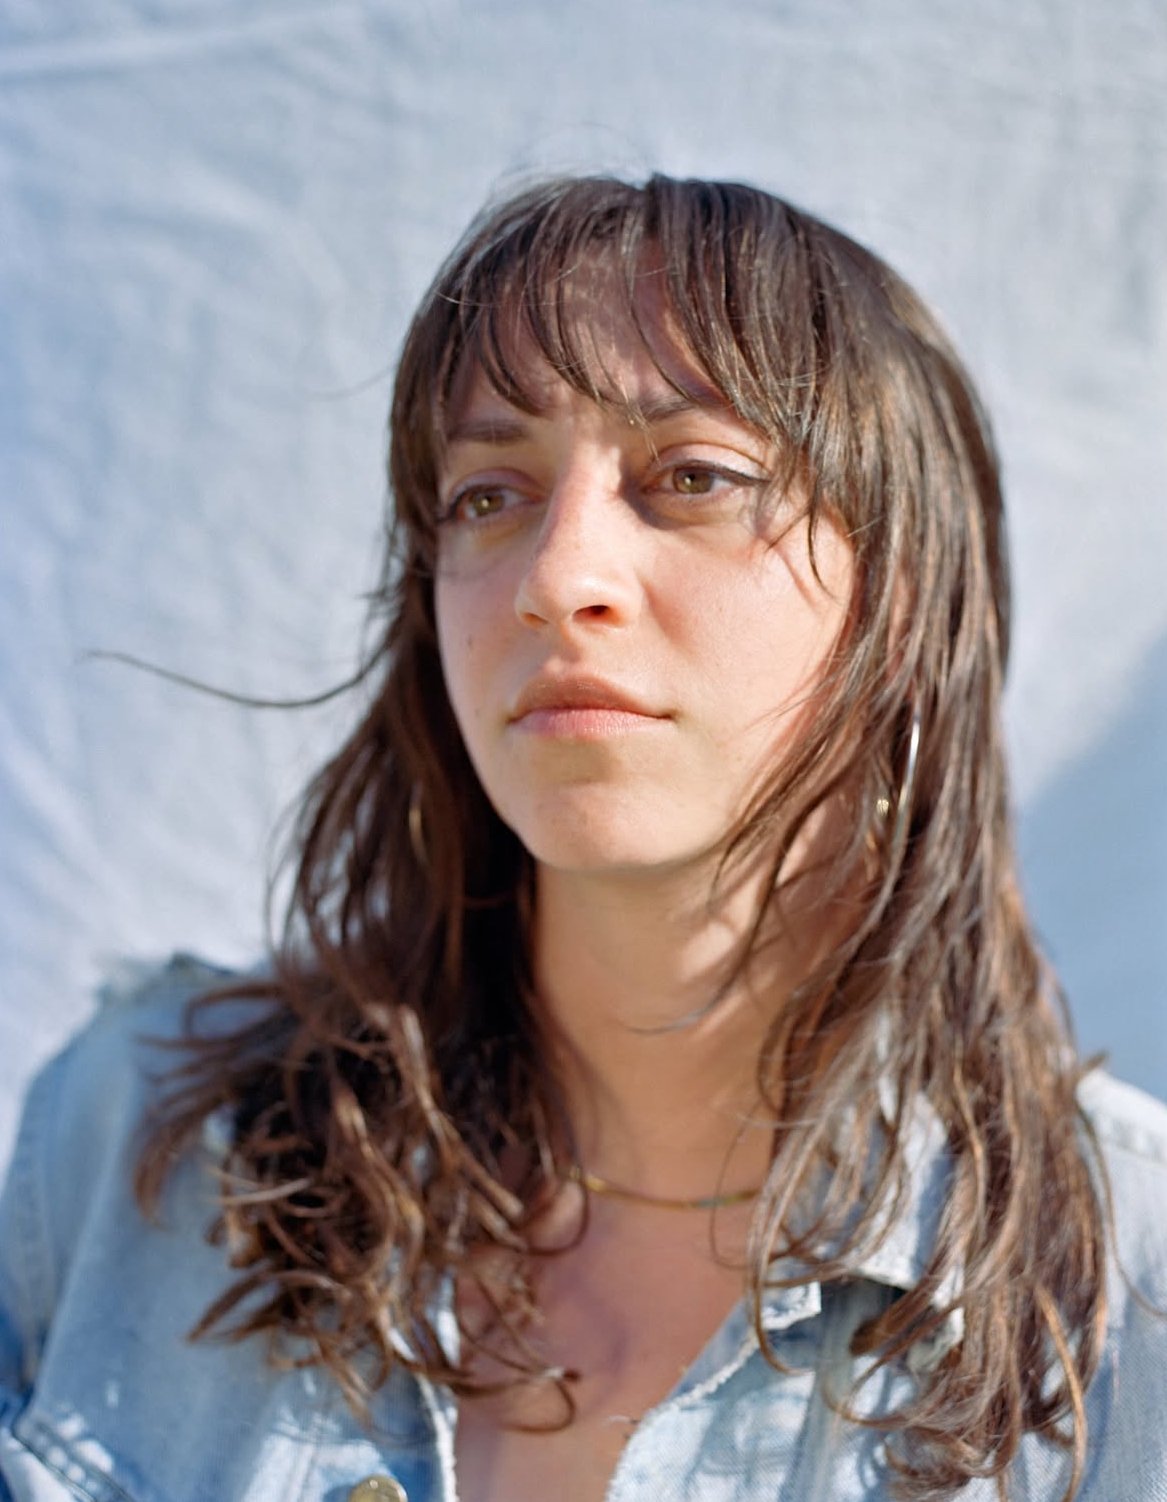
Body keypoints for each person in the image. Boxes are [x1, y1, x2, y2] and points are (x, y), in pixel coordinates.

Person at [1, 174, 1165, 1502]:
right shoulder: (132, 1148)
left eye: (693, 477)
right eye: (490, 493)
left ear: (900, 608)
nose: (558, 580)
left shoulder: (1133, 1302)